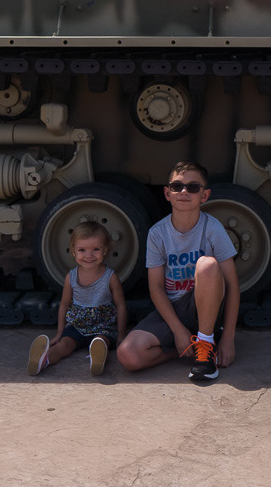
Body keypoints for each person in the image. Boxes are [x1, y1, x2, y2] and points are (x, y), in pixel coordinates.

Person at [115, 161, 240, 382]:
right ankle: (195, 344)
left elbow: (232, 285)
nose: (184, 192)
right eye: (177, 186)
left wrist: (229, 339)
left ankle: (204, 350)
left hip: (205, 306)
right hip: (172, 309)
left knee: (208, 265)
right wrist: (178, 330)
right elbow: (156, 287)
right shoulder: (158, 233)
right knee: (128, 355)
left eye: (193, 187)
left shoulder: (213, 229)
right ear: (167, 193)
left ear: (204, 195)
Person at [28, 220, 128, 378]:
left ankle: (97, 358)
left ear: (105, 250)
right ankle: (43, 359)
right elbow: (64, 305)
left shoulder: (110, 277)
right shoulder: (71, 277)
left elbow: (121, 305)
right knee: (65, 345)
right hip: (77, 325)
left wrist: (121, 335)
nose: (89, 255)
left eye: (96, 249)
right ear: (73, 251)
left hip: (103, 325)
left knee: (102, 341)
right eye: (82, 250)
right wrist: (59, 333)